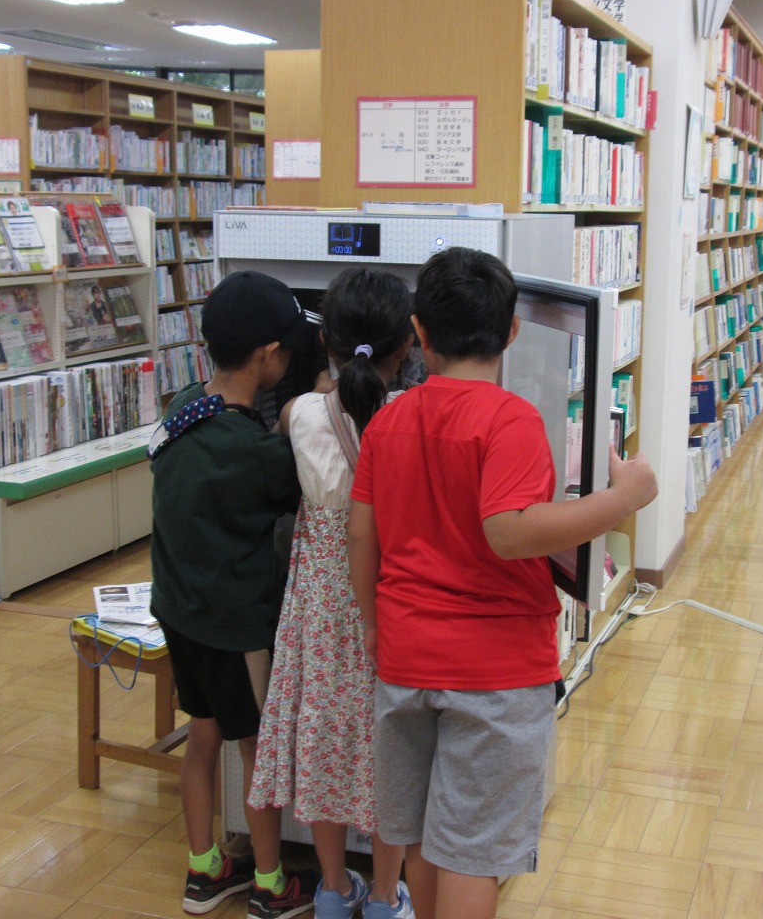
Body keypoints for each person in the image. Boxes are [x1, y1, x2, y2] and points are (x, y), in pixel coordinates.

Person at [347, 247, 658, 919]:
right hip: (494, 671)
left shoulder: (390, 419)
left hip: (405, 656)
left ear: (419, 331)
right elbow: (510, 533)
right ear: (513, 331)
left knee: (430, 833)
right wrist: (626, 496)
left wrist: (373, 624)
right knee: (475, 850)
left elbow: (361, 535)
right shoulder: (509, 418)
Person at [149, 270, 321, 918]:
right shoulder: (257, 453)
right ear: (269, 356)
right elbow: (292, 486)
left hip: (177, 613)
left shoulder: (183, 407)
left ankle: (204, 869)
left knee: (202, 734)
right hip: (237, 627)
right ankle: (271, 885)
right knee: (258, 750)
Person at [250, 268, 415, 919]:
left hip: (317, 601)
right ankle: (382, 896)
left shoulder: (297, 414)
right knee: (386, 746)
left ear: (327, 344)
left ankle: (329, 888)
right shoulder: (410, 417)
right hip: (386, 597)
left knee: (322, 736)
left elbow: (317, 420)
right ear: (408, 346)